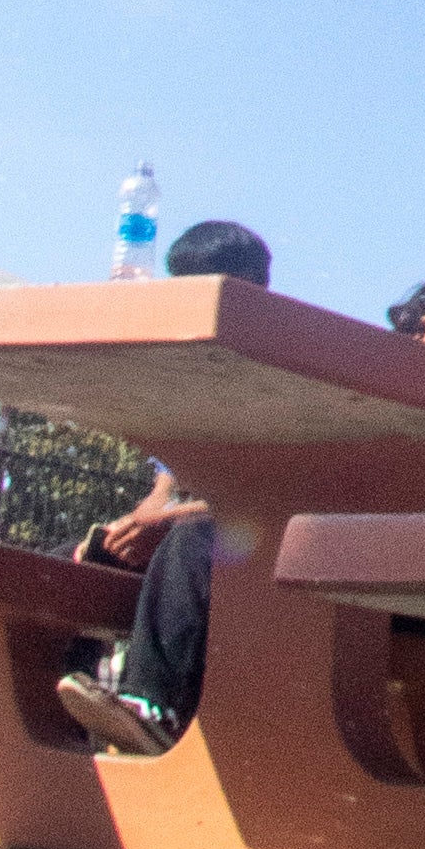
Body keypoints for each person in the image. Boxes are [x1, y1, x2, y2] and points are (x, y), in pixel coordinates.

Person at [57, 220, 271, 758]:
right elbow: (164, 489)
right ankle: (61, 723)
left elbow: (261, 498)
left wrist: (165, 523)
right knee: (70, 559)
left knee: (192, 537)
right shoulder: (189, 382)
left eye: (216, 283)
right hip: (188, 537)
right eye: (187, 283)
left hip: (252, 548)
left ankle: (149, 708)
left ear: (255, 290)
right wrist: (121, 534)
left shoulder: (271, 375)